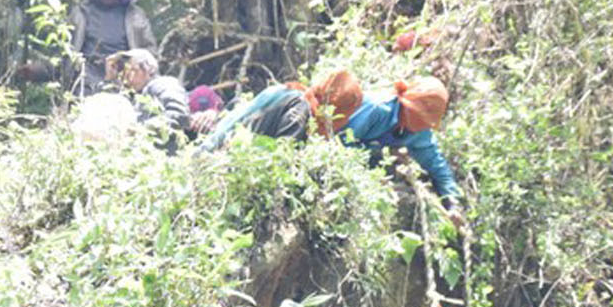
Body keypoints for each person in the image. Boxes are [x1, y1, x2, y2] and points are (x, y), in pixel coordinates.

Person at [339, 76, 464, 217]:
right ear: (407, 106)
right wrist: (375, 157)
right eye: (420, 117)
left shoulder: (420, 131)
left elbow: (436, 165)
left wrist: (453, 203)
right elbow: (340, 142)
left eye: (426, 122)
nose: (422, 125)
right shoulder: (377, 109)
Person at [196, 69, 364, 150]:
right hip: (216, 162)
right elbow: (281, 157)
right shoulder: (300, 109)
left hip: (211, 149)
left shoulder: (294, 91)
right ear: (338, 106)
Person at [66, 0, 156, 94]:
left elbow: (150, 52)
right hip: (86, 80)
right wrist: (36, 71)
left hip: (125, 79)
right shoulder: (80, 13)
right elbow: (63, 53)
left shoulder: (135, 15)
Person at [106, 49, 191, 146]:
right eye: (122, 70)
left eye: (132, 69)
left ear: (150, 68)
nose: (126, 75)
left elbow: (178, 115)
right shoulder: (132, 99)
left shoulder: (162, 84)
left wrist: (141, 131)